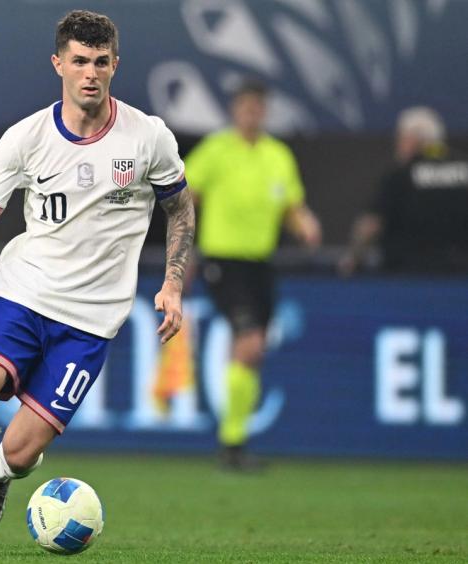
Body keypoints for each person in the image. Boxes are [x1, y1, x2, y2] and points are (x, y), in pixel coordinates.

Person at [0, 10, 195, 551]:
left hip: (91, 321)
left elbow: (180, 208)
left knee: (22, 451)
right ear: (58, 64)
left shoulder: (148, 137)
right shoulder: (26, 137)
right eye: (79, 61)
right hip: (24, 293)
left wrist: (173, 283)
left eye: (100, 62)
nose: (90, 73)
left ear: (115, 65)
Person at [183, 79, 320, 471]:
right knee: (250, 342)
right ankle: (232, 442)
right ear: (234, 110)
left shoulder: (277, 155)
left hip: (261, 264)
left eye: (257, 107)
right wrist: (184, 251)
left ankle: (234, 443)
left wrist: (305, 224)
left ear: (265, 112)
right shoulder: (216, 150)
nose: (251, 113)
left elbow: (291, 205)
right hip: (223, 261)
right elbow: (185, 198)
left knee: (251, 352)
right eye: (245, 106)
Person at [339, 106, 468, 275]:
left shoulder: (401, 174)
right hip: (460, 275)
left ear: (412, 140)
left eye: (400, 138)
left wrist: (352, 258)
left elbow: (371, 224)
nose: (397, 145)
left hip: (407, 276)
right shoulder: (464, 168)